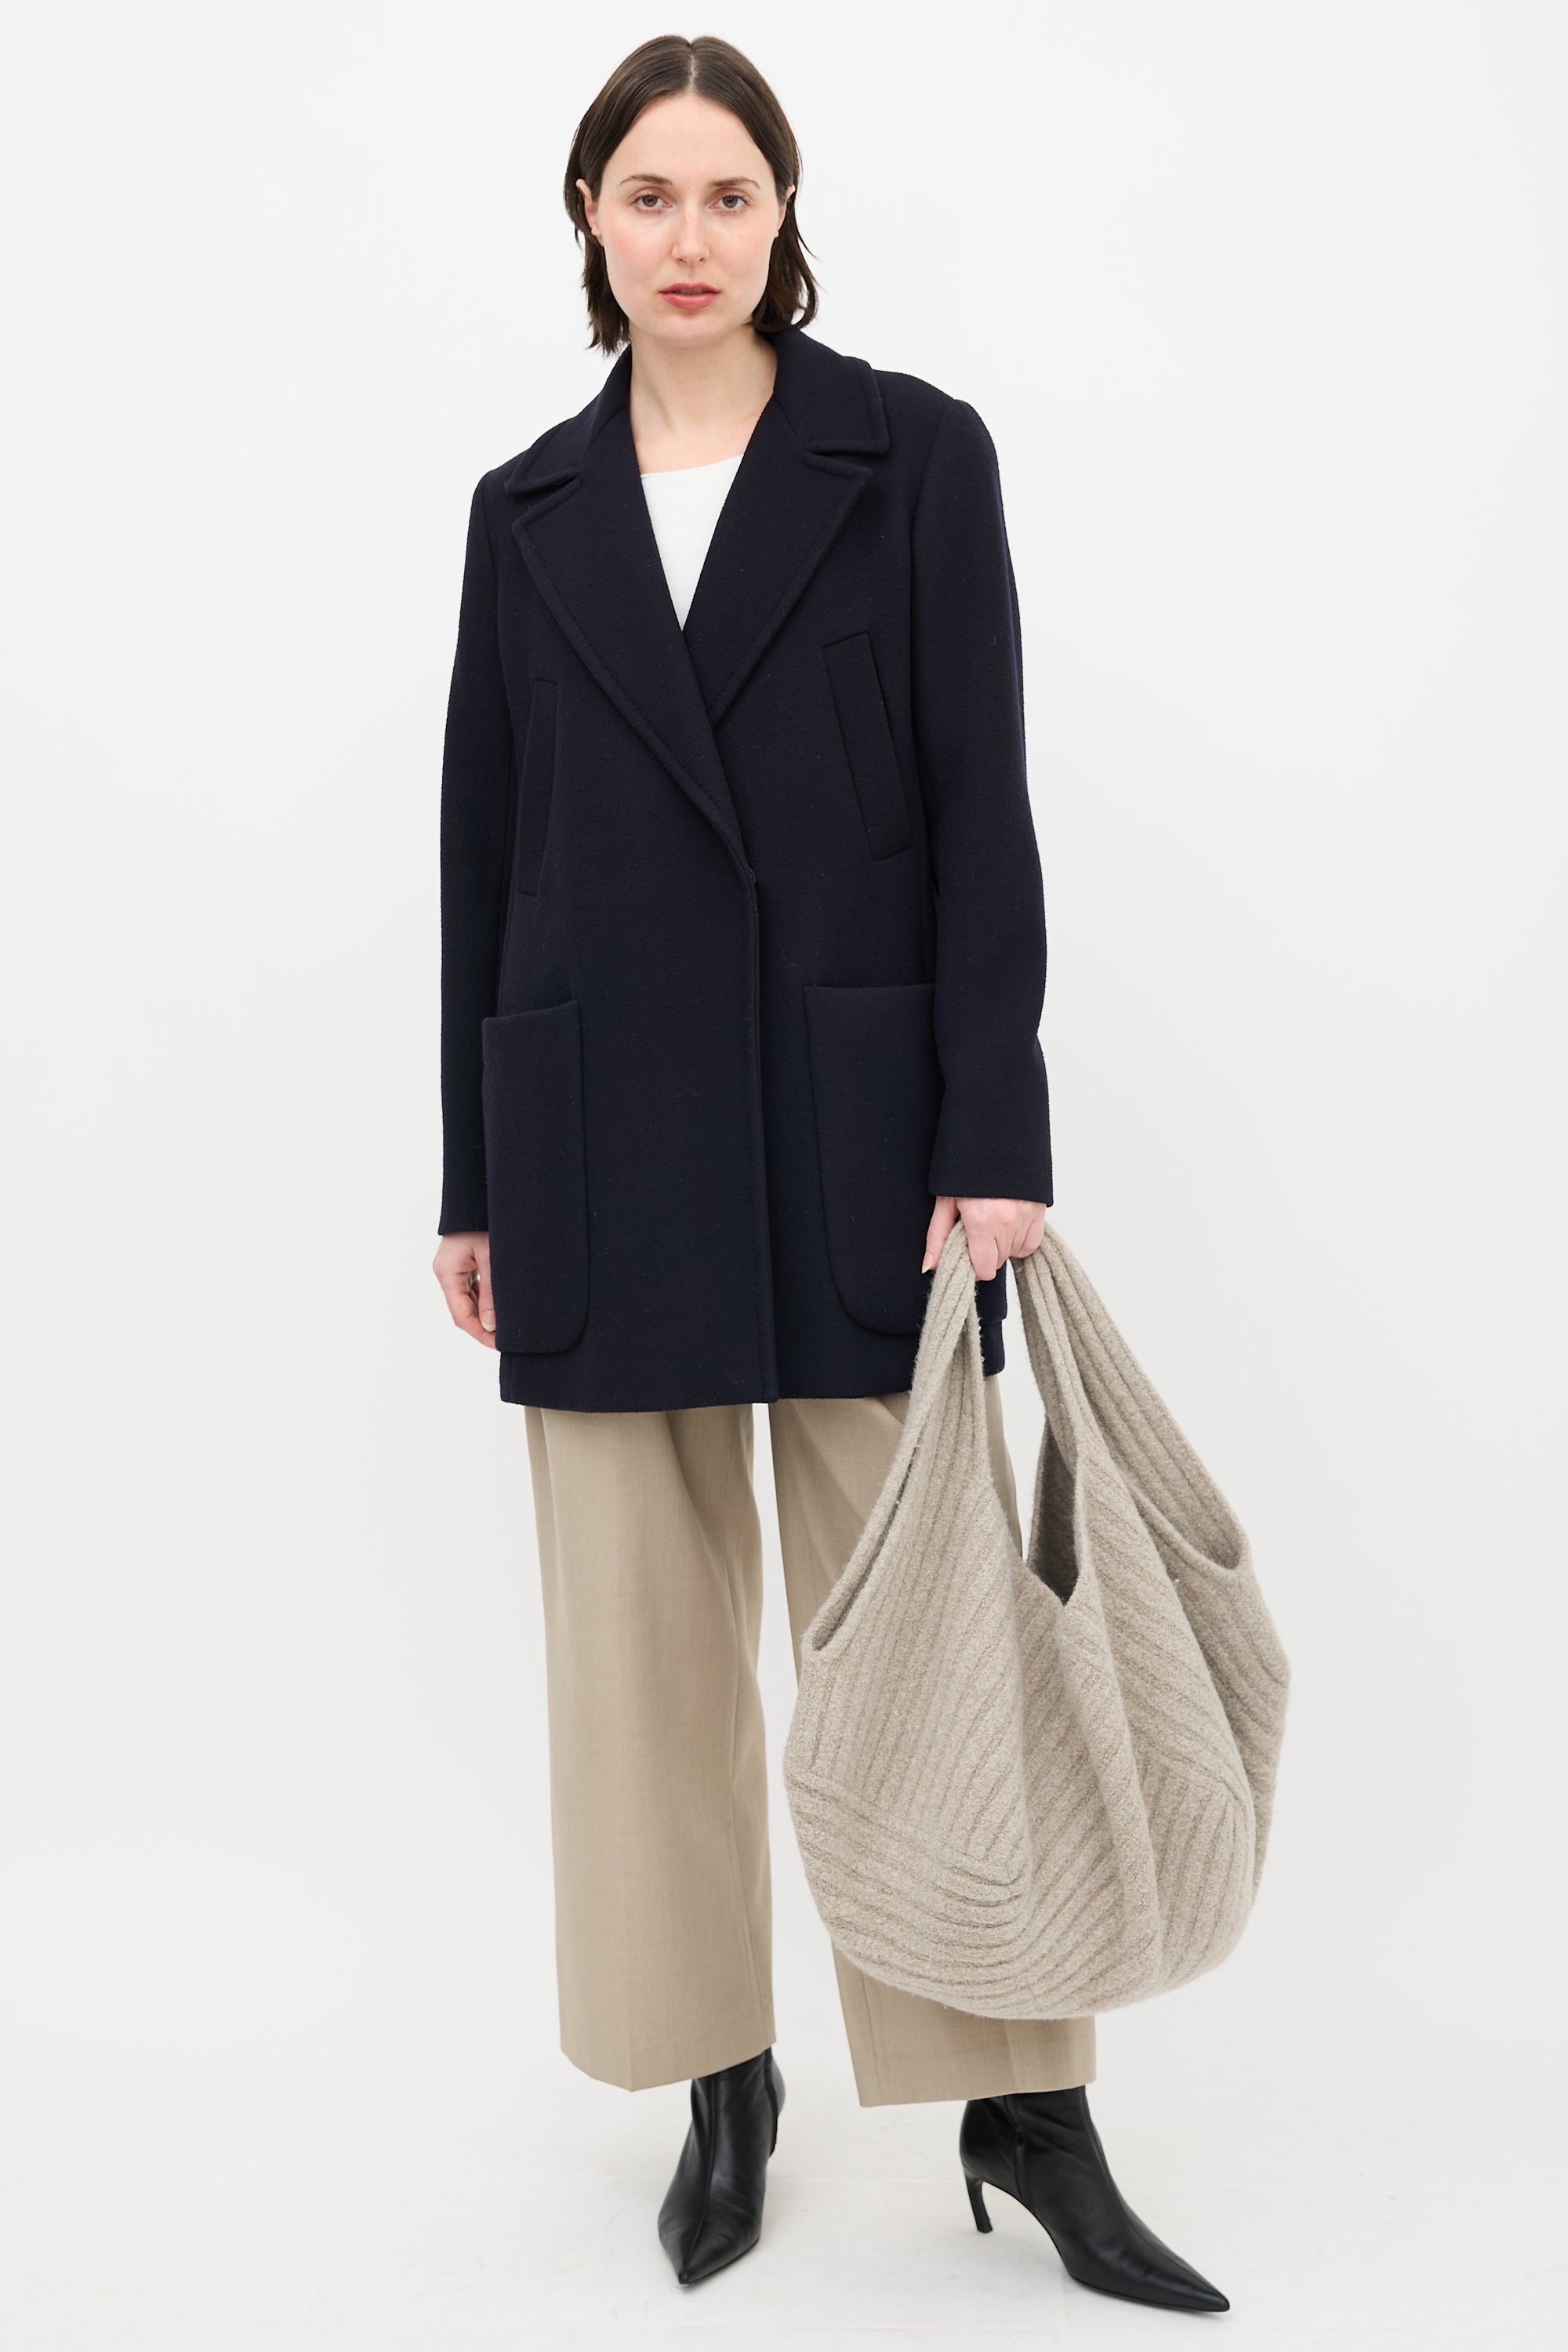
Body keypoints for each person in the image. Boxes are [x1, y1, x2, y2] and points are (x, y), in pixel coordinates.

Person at [433, 33, 1227, 2316]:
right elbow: (486, 848)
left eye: (729, 195)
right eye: (647, 196)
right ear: (589, 221)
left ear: (786, 215)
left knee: (943, 1653)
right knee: (642, 1666)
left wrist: (997, 1134)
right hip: (599, 1139)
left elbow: (986, 804)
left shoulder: (911, 455)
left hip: (863, 1134)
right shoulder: (525, 509)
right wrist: (476, 1177)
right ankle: (721, 2078)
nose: (688, 238)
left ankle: (1025, 2109)